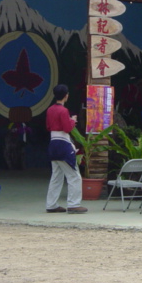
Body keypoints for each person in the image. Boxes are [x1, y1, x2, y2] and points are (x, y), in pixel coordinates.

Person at [45, 84, 87, 214]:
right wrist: (72, 120)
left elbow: (48, 126)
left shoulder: (50, 109)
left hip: (53, 142)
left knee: (56, 176)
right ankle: (74, 204)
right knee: (74, 176)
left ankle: (51, 204)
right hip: (63, 144)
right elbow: (67, 128)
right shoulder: (63, 111)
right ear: (66, 96)